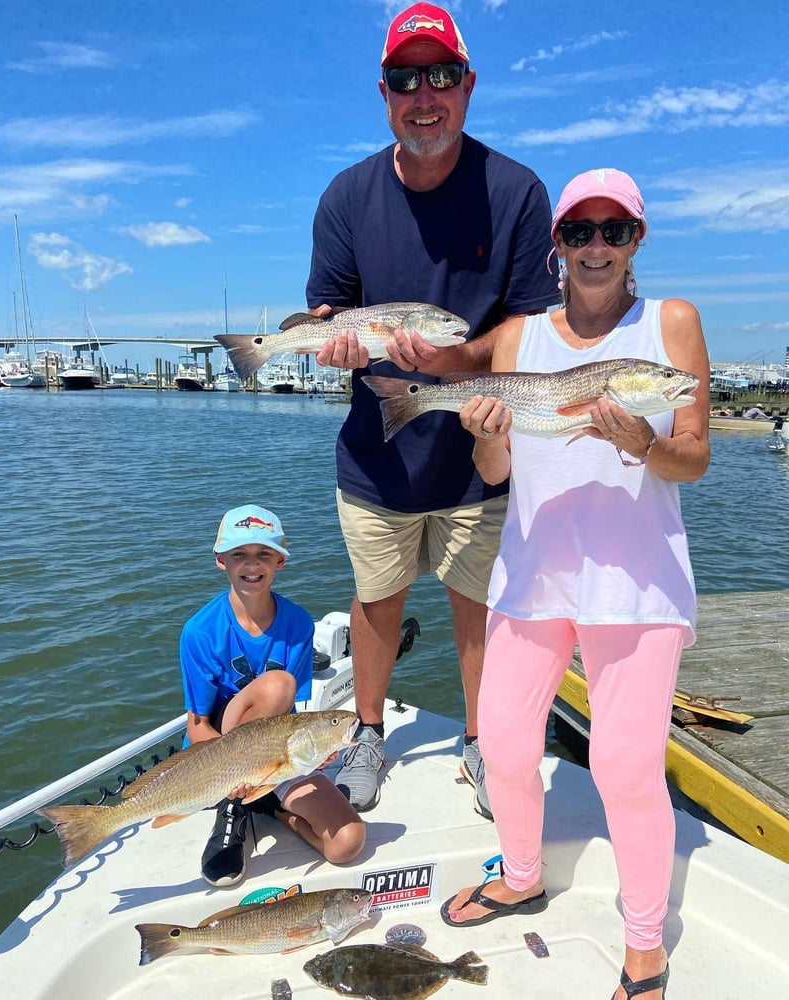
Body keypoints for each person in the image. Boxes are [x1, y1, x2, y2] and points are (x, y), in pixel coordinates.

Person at [440, 168, 711, 1000]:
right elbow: (499, 467)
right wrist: (483, 436)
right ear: (556, 244)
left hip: (637, 585)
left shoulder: (671, 322)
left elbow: (694, 454)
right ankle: (521, 873)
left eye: (614, 230)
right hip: (532, 577)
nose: (596, 246)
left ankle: (641, 943)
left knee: (627, 770)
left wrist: (639, 439)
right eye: (579, 231)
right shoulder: (520, 338)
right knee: (507, 745)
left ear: (637, 241)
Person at [306, 2, 559, 818]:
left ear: (468, 85)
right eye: (406, 79)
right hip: (376, 444)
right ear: (383, 93)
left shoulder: (517, 192)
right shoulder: (346, 196)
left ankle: (482, 742)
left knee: (477, 605)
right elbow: (327, 310)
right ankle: (369, 733)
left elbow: (525, 328)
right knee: (376, 600)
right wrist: (333, 340)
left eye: (441, 75)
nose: (425, 95)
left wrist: (454, 362)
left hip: (478, 445)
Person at [179, 503, 365, 887]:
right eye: (239, 554)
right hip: (219, 754)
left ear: (280, 561)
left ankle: (269, 806)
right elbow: (197, 726)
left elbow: (293, 715)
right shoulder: (199, 632)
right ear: (221, 561)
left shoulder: (297, 622)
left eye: (264, 553)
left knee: (348, 843)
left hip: (279, 752)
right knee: (277, 683)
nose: (252, 564)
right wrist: (235, 774)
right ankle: (233, 808)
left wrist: (317, 752)